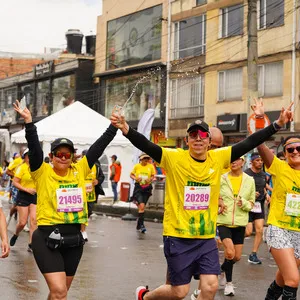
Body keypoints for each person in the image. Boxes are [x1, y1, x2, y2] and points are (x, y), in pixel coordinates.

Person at [110, 99, 292, 300]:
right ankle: (144, 296)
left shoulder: (219, 158)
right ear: (187, 140)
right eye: (193, 135)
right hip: (178, 236)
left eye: (203, 135)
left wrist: (277, 124)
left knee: (211, 286)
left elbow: (249, 143)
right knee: (179, 292)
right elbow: (147, 145)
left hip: (205, 238)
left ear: (208, 140)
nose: (198, 138)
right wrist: (126, 128)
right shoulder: (174, 158)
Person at [13, 99, 118, 300]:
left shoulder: (80, 170)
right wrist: (28, 122)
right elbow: (35, 150)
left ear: (73, 157)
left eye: (68, 155)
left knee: (59, 294)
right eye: (59, 154)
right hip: (46, 238)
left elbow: (99, 146)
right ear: (51, 157)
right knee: (60, 291)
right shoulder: (41, 172)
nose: (63, 158)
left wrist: (113, 127)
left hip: (74, 240)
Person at [257, 135, 300, 300]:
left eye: (299, 148)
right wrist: (259, 121)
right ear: (285, 153)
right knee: (293, 279)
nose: (295, 151)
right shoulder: (279, 167)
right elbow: (259, 144)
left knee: (282, 279)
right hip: (279, 228)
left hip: (298, 232)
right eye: (290, 149)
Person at [217, 156, 255, 296]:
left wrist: (243, 203)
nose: (233, 162)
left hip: (240, 222)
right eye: (231, 160)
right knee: (230, 252)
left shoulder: (249, 180)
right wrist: (219, 200)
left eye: (237, 159)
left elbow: (251, 202)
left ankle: (220, 271)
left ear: (242, 162)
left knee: (237, 257)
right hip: (224, 221)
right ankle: (229, 284)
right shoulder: (222, 178)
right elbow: (214, 194)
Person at [10, 148, 37, 252]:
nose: (30, 158)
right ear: (25, 158)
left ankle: (31, 244)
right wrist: (26, 189)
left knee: (34, 221)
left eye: (32, 156)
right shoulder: (22, 168)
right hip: (23, 195)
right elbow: (15, 182)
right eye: (28, 156)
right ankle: (16, 234)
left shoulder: (38, 168)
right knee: (22, 222)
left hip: (35, 196)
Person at [245, 152, 268, 264]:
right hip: (248, 206)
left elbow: (263, 187)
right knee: (248, 232)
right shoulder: (246, 174)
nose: (260, 162)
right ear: (252, 162)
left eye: (261, 160)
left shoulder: (264, 175)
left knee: (259, 230)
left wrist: (267, 194)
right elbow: (241, 190)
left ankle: (253, 254)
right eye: (257, 160)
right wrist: (251, 195)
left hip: (259, 206)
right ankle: (234, 239)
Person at [130, 153, 156, 233]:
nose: (146, 161)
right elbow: (131, 175)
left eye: (147, 159)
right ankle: (142, 225)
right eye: (144, 159)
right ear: (141, 159)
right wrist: (135, 178)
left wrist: (150, 179)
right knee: (141, 206)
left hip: (147, 188)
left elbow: (153, 176)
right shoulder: (137, 166)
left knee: (142, 207)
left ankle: (139, 224)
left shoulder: (150, 166)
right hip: (138, 188)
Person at [82, 149, 105, 218]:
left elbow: (102, 176)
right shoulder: (79, 165)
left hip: (91, 192)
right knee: (81, 210)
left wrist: (97, 181)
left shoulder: (96, 166)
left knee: (89, 210)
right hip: (81, 191)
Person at [6, 151, 24, 225]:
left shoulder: (32, 162)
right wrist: (15, 176)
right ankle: (10, 216)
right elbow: (7, 171)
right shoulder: (16, 161)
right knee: (16, 204)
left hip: (26, 186)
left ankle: (23, 222)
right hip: (16, 185)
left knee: (26, 205)